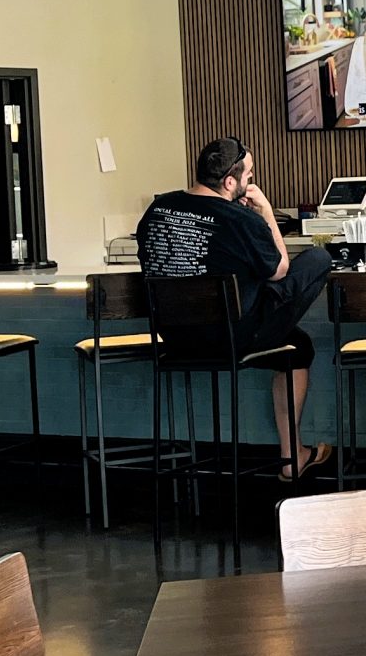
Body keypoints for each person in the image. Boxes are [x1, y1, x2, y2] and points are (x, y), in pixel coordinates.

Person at [136, 136, 333, 480]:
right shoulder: (242, 219)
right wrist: (266, 212)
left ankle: (295, 454)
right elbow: (280, 270)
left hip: (175, 340)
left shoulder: (157, 210)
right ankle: (290, 459)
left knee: (298, 347)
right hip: (233, 338)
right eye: (250, 176)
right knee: (317, 258)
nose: (251, 182)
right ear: (231, 182)